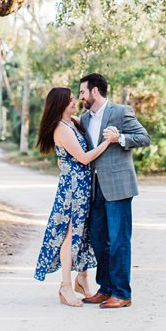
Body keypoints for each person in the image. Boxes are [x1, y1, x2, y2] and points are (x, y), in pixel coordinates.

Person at [33, 86, 112, 306]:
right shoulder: (61, 128)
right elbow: (84, 158)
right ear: (60, 104)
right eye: (69, 100)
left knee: (83, 231)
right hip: (72, 188)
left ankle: (82, 279)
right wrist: (108, 142)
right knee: (69, 234)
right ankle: (65, 286)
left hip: (83, 184)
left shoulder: (74, 122)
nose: (74, 101)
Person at [77, 72, 150, 309]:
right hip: (95, 188)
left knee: (119, 240)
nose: (81, 97)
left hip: (119, 186)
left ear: (94, 91)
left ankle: (122, 293)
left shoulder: (121, 112)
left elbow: (144, 138)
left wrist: (120, 138)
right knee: (99, 240)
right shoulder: (84, 119)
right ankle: (105, 288)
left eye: (83, 92)